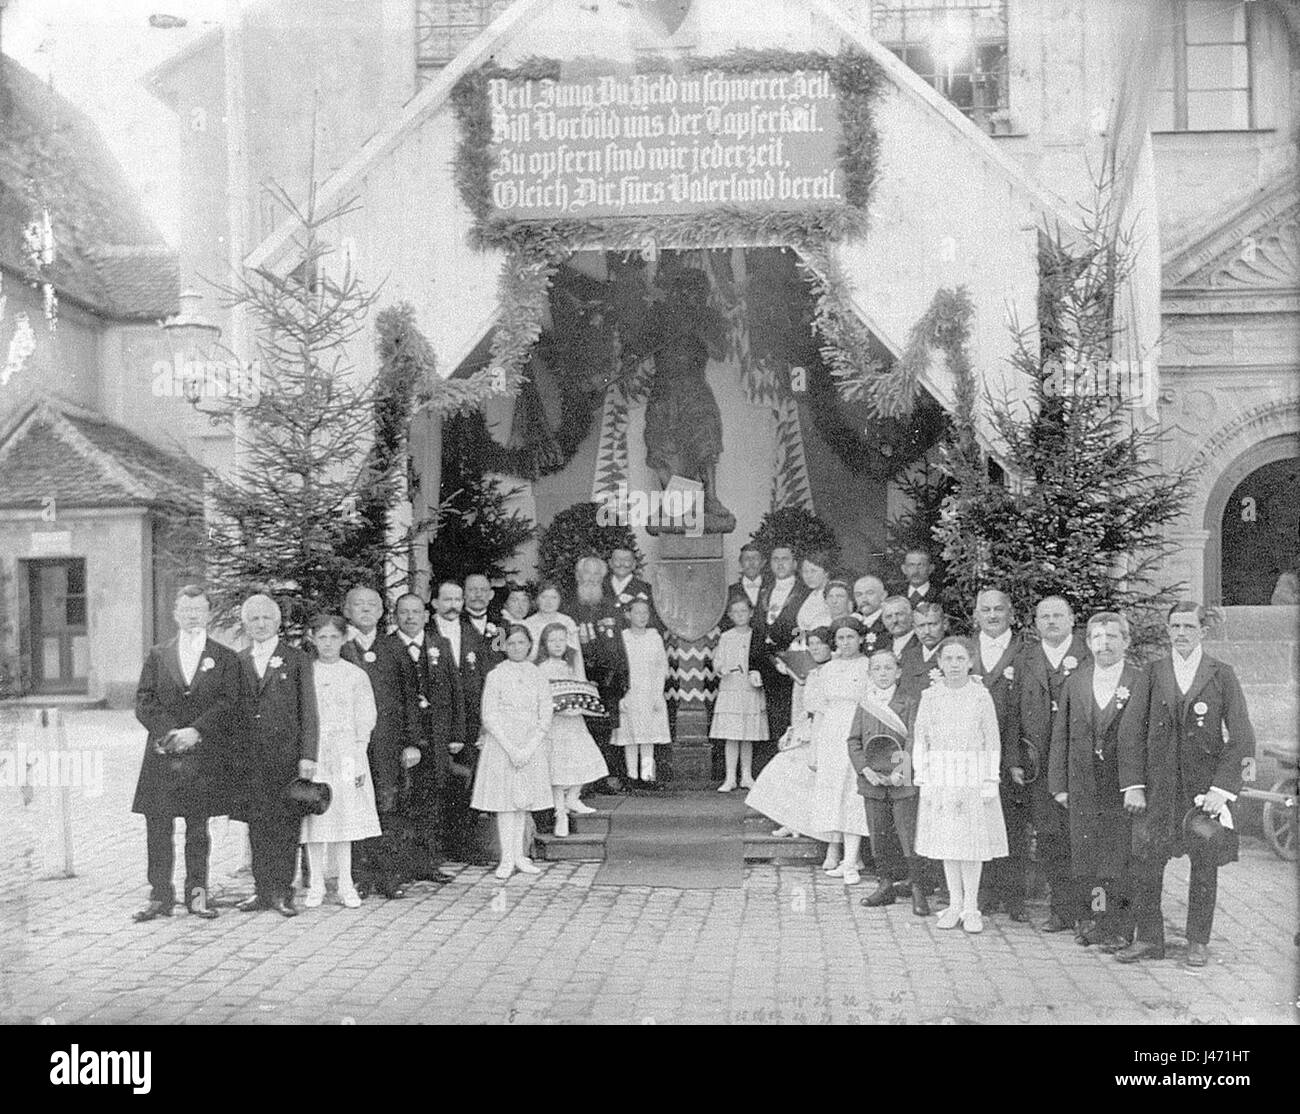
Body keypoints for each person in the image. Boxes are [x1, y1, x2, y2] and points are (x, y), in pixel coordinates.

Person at [1116, 603, 1257, 968]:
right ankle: (1149, 939)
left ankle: (1197, 941)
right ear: (1168, 630)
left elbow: (1242, 738)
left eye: (1188, 627)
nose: (1181, 633)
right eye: (1175, 626)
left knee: (1204, 864)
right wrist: (1133, 784)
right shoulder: (1152, 673)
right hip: (1157, 789)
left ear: (1202, 632)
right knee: (1146, 864)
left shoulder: (1221, 675)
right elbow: (1131, 733)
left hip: (1200, 793)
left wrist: (1221, 790)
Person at [131, 585, 242, 922]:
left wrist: (196, 731)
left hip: (202, 754)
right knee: (158, 828)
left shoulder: (225, 657)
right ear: (175, 613)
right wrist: (169, 733)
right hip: (164, 753)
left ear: (208, 613)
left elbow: (230, 702)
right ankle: (160, 897)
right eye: (186, 609)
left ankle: (198, 895)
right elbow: (144, 700)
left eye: (198, 609)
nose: (192, 615)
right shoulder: (157, 654)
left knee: (197, 829)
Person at [1048, 612, 1142, 951]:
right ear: (1087, 643)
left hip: (1121, 788)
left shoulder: (1139, 681)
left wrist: (1138, 785)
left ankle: (1120, 927)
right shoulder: (1076, 681)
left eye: (1112, 637)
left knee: (1118, 862)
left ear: (1126, 642)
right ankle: (1097, 921)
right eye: (1097, 638)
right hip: (1083, 786)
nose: (1105, 644)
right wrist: (1059, 783)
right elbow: (1061, 735)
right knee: (1089, 861)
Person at [912, 636, 1008, 933]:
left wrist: (990, 778)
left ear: (970, 662)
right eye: (948, 659)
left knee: (970, 845)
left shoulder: (980, 696)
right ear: (939, 663)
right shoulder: (931, 697)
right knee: (948, 843)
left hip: (972, 775)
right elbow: (921, 738)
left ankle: (971, 907)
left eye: (960, 659)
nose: (954, 665)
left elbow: (992, 739)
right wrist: (922, 774)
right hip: (941, 775)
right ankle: (954, 904)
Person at [233, 594, 319, 918]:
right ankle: (261, 890)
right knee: (257, 825)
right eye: (253, 619)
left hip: (285, 756)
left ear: (277, 622)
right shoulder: (238, 660)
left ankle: (283, 892)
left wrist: (308, 755)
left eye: (266, 618)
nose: (260, 624)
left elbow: (309, 711)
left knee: (285, 825)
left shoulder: (296, 659)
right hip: (250, 758)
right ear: (246, 624)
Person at [1016, 595, 1091, 932]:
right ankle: (1061, 909)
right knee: (1050, 839)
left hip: (1081, 764)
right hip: (1039, 765)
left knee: (1084, 838)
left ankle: (1088, 911)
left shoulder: (1089, 656)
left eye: (1057, 615)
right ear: (1036, 622)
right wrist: (1014, 759)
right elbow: (1012, 713)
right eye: (1043, 616)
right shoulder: (1027, 658)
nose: (1050, 622)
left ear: (1072, 619)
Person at [341, 586, 420, 900]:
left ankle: (388, 876)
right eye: (358, 604)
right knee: (354, 803)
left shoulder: (393, 647)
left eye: (371, 604)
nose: (365, 609)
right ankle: (359, 876)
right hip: (350, 746)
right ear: (347, 610)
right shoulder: (341, 647)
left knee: (388, 806)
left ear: (381, 611)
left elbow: (410, 698)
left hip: (388, 744)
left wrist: (412, 743)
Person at [300, 614, 381, 909]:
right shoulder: (306, 672)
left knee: (345, 813)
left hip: (348, 753)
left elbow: (366, 717)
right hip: (316, 753)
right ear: (313, 639)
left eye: (334, 637)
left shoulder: (355, 675)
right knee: (315, 816)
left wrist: (358, 756)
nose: (328, 643)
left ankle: (346, 882)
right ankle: (317, 884)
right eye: (322, 637)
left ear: (344, 639)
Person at [848, 650, 928, 916]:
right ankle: (884, 884)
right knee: (878, 833)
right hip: (872, 780)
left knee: (907, 834)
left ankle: (917, 887)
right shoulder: (864, 703)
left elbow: (913, 739)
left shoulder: (909, 702)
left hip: (901, 780)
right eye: (877, 669)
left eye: (888, 668)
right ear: (870, 673)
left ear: (898, 672)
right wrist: (865, 769)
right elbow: (854, 741)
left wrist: (901, 772)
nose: (882, 673)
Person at [471, 624, 554, 880]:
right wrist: (511, 748)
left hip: (531, 745)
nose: (517, 648)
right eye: (512, 643)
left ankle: (519, 855)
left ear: (530, 645)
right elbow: (489, 715)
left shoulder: (537, 674)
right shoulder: (496, 675)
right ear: (503, 646)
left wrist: (529, 747)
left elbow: (545, 712)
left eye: (522, 643)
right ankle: (506, 858)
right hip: (502, 745)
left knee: (523, 802)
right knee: (505, 803)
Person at [390, 592, 462, 885]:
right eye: (404, 612)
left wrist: (457, 733)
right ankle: (402, 866)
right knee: (402, 802)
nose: (410, 617)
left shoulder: (439, 645)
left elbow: (455, 691)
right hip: (403, 741)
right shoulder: (388, 647)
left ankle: (429, 864)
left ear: (425, 615)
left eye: (415, 612)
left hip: (436, 737)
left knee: (431, 802)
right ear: (395, 616)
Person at [971, 588, 1028, 921]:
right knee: (979, 822)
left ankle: (1014, 896)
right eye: (985, 610)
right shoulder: (964, 650)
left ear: (1010, 613)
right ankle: (986, 891)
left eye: (998, 610)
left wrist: (1016, 757)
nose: (992, 616)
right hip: (973, 752)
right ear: (976, 614)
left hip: (1012, 753)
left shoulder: (1025, 652)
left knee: (1013, 823)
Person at [746, 626, 834, 840]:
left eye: (819, 643)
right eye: (811, 644)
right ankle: (790, 821)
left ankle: (802, 824)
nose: (815, 648)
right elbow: (806, 708)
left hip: (827, 732)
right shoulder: (811, 672)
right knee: (781, 769)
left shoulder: (834, 670)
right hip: (807, 729)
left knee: (805, 776)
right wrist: (793, 730)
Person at [807, 616, 874, 885]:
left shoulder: (868, 666)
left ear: (860, 639)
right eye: (840, 638)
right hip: (832, 733)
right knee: (832, 790)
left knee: (853, 792)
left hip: (857, 729)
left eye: (850, 637)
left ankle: (852, 858)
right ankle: (834, 848)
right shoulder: (827, 670)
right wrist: (815, 749)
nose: (845, 643)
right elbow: (820, 712)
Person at [432, 579, 493, 859]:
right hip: (435, 722)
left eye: (457, 600)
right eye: (448, 599)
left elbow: (482, 679)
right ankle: (433, 849)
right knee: (434, 783)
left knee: (465, 783)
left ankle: (461, 846)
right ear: (435, 603)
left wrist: (483, 721)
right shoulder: (426, 633)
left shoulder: (473, 635)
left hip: (468, 722)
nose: (453, 605)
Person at [537, 622, 608, 836]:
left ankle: (573, 798)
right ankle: (560, 814)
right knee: (558, 769)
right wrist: (558, 710)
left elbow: (580, 689)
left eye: (561, 640)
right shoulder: (541, 668)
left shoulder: (572, 664)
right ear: (544, 644)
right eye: (552, 641)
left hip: (575, 722)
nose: (558, 645)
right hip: (554, 725)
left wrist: (580, 706)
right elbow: (541, 698)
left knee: (583, 759)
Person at [570, 557, 632, 791]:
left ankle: (604, 777)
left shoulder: (611, 606)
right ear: (578, 576)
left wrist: (623, 677)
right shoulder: (568, 607)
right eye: (587, 574)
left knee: (606, 729)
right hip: (580, 679)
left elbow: (619, 644)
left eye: (597, 575)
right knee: (582, 729)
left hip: (608, 681)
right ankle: (583, 781)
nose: (592, 579)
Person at [710, 597, 768, 792]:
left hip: (749, 689)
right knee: (732, 736)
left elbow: (761, 660)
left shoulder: (757, 636)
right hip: (731, 689)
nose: (740, 615)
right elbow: (717, 661)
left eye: (744, 611)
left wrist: (757, 672)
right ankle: (729, 778)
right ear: (730, 615)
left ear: (751, 613)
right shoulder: (726, 637)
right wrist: (722, 668)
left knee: (747, 735)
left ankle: (747, 776)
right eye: (735, 612)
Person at [611, 598, 671, 783]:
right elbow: (618, 668)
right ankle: (631, 776)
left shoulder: (654, 637)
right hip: (630, 692)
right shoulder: (622, 638)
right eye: (637, 612)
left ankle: (646, 777)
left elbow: (662, 667)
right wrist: (620, 696)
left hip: (650, 692)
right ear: (628, 615)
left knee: (647, 736)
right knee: (630, 736)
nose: (642, 616)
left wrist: (657, 695)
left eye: (645, 612)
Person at [756, 544, 810, 742]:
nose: (780, 563)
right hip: (768, 666)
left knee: (792, 717)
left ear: (795, 564)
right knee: (770, 720)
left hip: (793, 665)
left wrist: (789, 658)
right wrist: (754, 666)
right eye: (775, 559)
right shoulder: (765, 591)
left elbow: (803, 628)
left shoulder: (804, 592)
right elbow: (758, 630)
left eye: (785, 559)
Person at [523, 582, 583, 667]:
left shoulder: (567, 622)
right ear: (537, 599)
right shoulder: (528, 624)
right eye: (544, 597)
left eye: (554, 597)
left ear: (560, 600)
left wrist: (580, 677)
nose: (549, 602)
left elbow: (576, 655)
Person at [897, 602, 947, 702]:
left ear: (945, 624)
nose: (927, 631)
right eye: (921, 626)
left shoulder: (954, 654)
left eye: (932, 624)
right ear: (914, 628)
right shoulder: (907, 656)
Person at [605, 547, 663, 630]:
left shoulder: (646, 589)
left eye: (627, 560)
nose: (622, 563)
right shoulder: (600, 588)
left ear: (634, 564)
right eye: (617, 559)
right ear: (610, 563)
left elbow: (656, 621)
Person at [794, 552, 833, 637]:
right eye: (805, 571)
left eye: (813, 571)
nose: (808, 576)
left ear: (826, 572)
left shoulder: (833, 594)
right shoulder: (810, 595)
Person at [851, 575, 888, 649]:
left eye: (870, 593)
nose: (863, 599)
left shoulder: (888, 622)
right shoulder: (854, 622)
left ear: (883, 595)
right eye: (858, 595)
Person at [881, 595, 916, 660]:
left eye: (899, 614)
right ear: (883, 621)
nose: (894, 620)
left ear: (911, 615)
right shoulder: (883, 646)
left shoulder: (923, 642)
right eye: (889, 616)